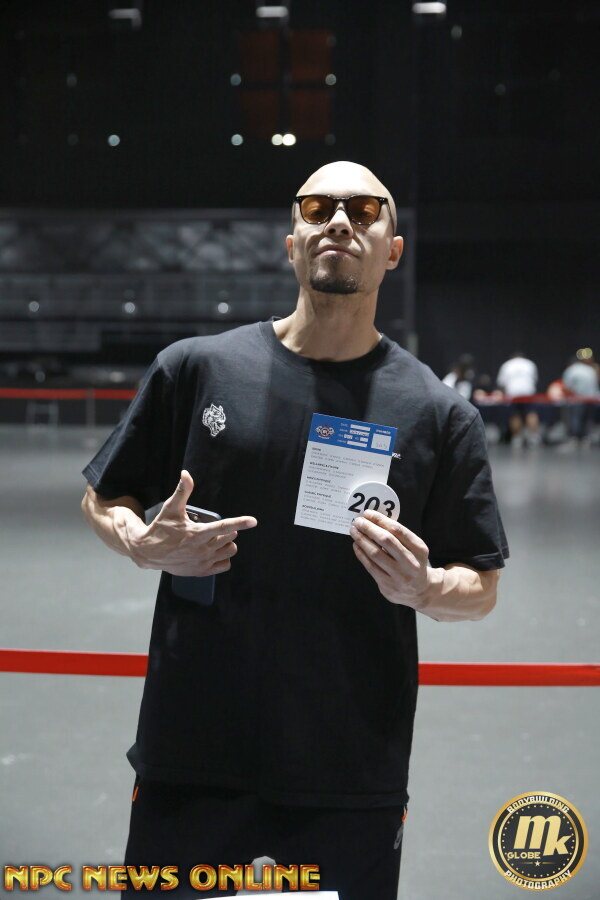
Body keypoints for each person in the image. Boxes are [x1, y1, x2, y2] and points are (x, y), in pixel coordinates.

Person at [81, 161, 509, 900]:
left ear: (393, 250)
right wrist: (139, 542)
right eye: (317, 208)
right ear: (292, 244)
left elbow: (481, 584)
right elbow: (104, 495)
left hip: (348, 766)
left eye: (364, 210)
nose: (339, 220)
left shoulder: (439, 415)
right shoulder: (196, 370)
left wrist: (427, 586)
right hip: (193, 751)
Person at [496, 351, 540, 447]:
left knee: (515, 415)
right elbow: (535, 379)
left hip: (513, 393)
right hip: (528, 392)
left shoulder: (507, 365)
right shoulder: (530, 364)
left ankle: (517, 437)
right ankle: (533, 436)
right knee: (531, 413)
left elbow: (501, 383)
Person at [561, 351, 599, 445]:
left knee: (580, 419)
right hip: (585, 399)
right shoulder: (588, 369)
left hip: (583, 399)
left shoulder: (577, 369)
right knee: (582, 419)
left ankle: (578, 437)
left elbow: (567, 386)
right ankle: (581, 437)